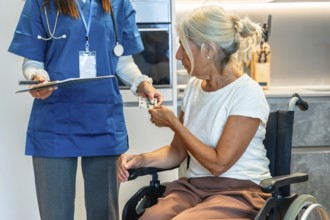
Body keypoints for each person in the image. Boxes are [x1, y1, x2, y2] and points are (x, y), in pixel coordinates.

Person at [8, 0, 163, 219]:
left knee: (104, 214)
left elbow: (122, 60)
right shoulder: (41, 3)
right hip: (55, 120)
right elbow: (33, 60)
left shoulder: (118, 3)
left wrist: (141, 82)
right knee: (55, 214)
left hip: (103, 119)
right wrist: (38, 78)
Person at [118, 5, 272, 220]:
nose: (178, 55)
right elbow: (177, 152)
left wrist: (175, 123)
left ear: (208, 50)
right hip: (192, 189)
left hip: (237, 192)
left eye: (183, 46)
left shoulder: (247, 93)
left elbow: (219, 165)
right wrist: (141, 159)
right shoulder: (194, 87)